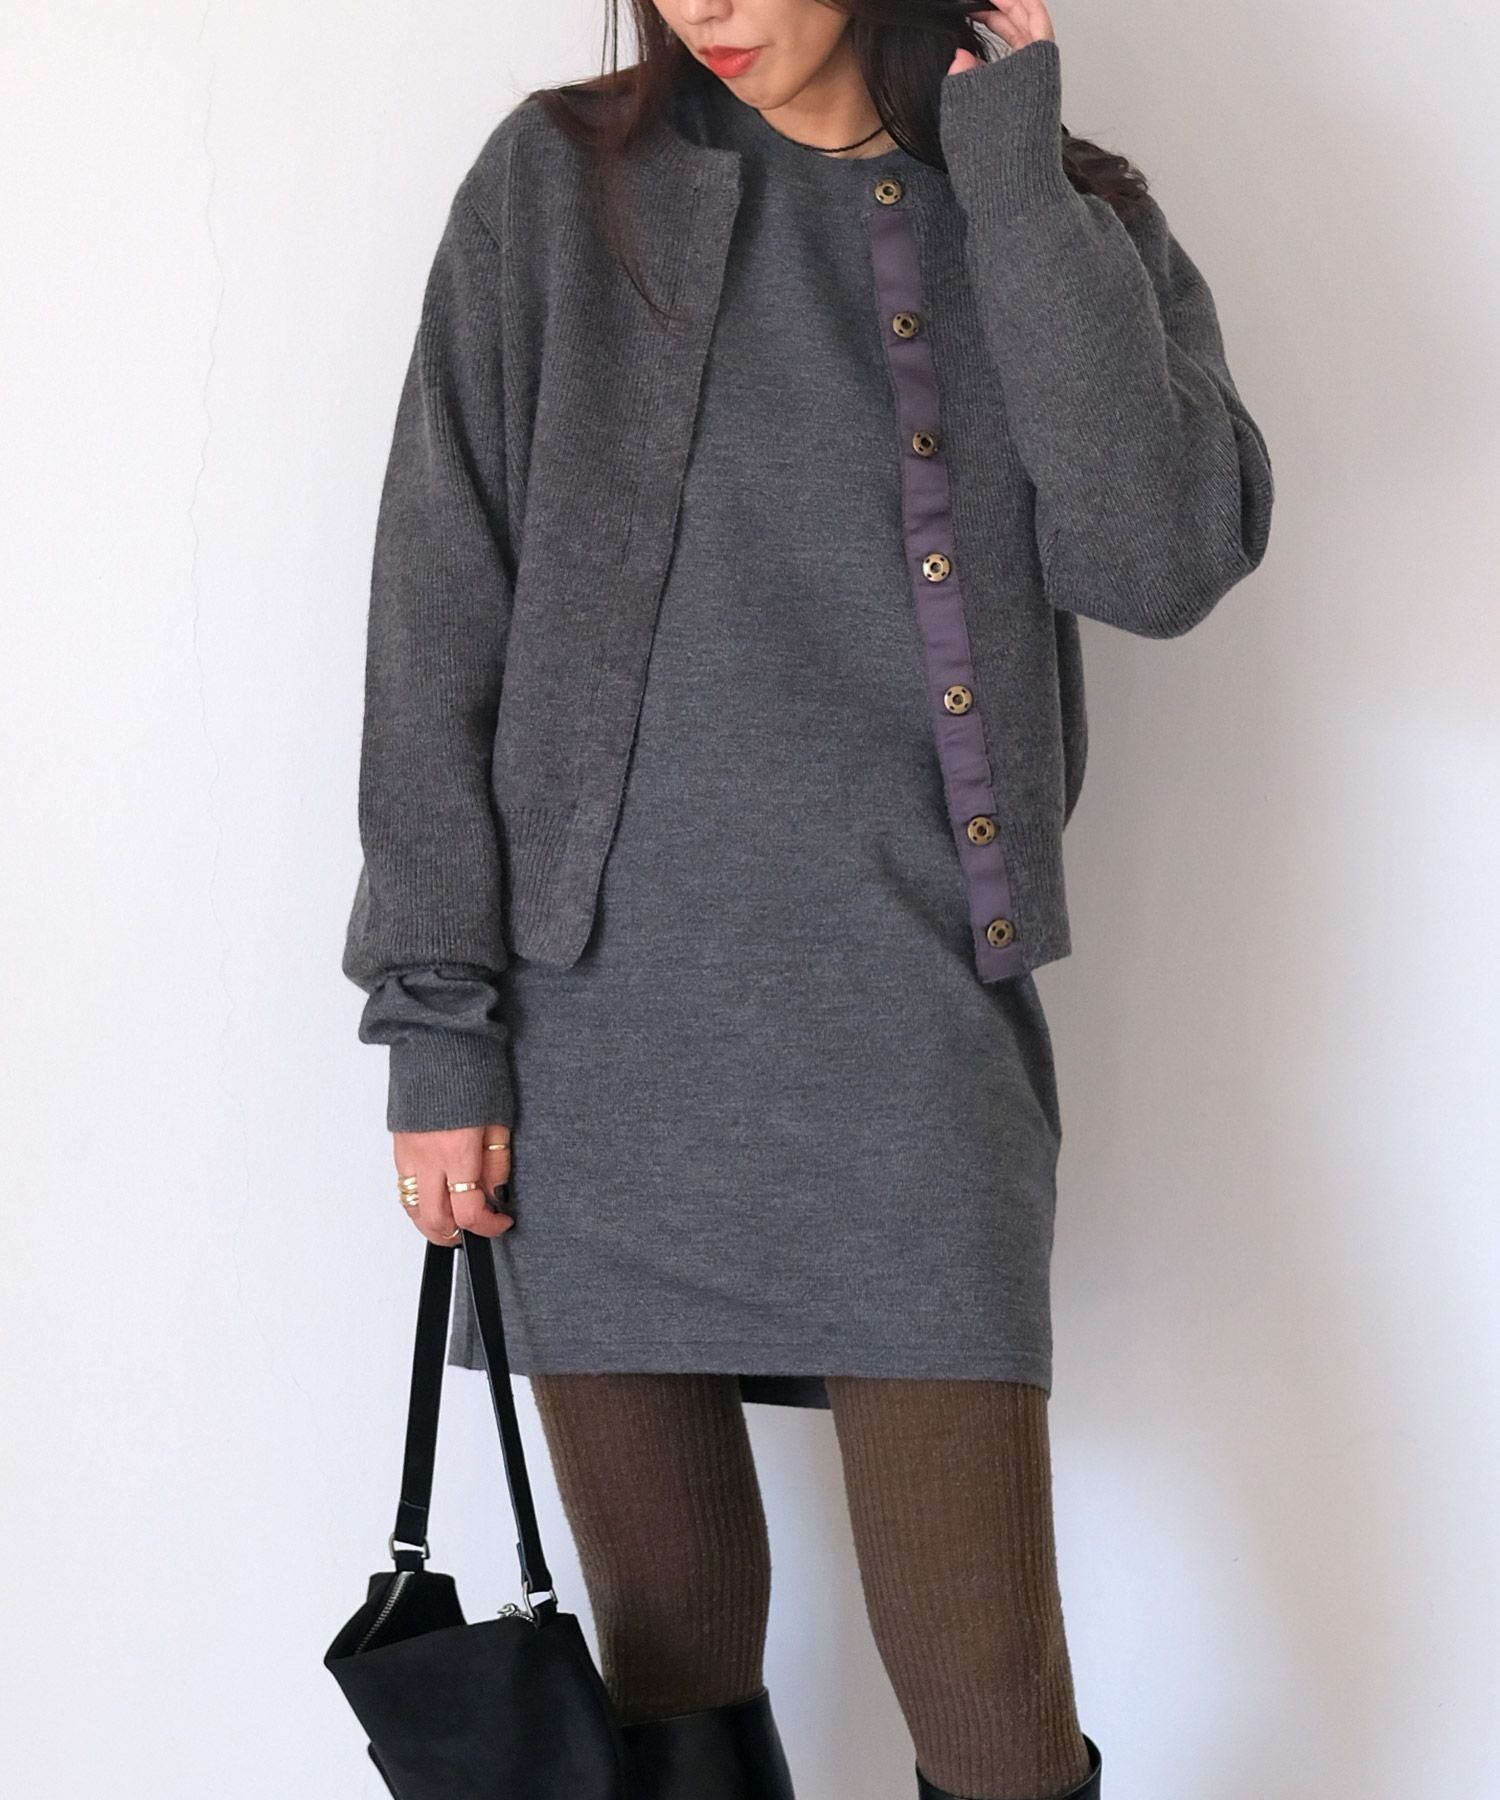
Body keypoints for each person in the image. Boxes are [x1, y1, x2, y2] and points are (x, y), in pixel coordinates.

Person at [340, 2, 1275, 1795]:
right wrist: (437, 1026)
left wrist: (1013, 178)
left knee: (992, 1698)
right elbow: (437, 607)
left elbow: (1160, 557)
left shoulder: (1054, 207)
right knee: (671, 1659)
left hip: (911, 1030)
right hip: (597, 1050)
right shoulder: (557, 188)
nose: (704, 4)